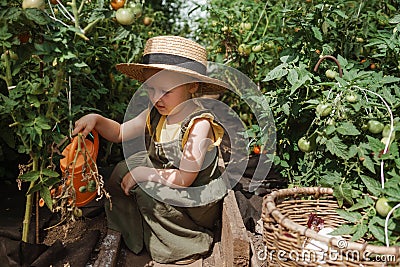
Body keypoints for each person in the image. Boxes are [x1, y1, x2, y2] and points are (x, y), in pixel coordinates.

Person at [72, 35, 228, 264]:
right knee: (123, 169)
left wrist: (143, 174)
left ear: (192, 86)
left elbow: (185, 178)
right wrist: (96, 119)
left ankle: (181, 245)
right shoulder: (156, 112)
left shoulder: (199, 125)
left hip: (194, 200)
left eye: (165, 91)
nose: (156, 98)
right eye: (150, 90)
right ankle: (131, 233)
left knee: (147, 188)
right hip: (170, 179)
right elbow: (119, 132)